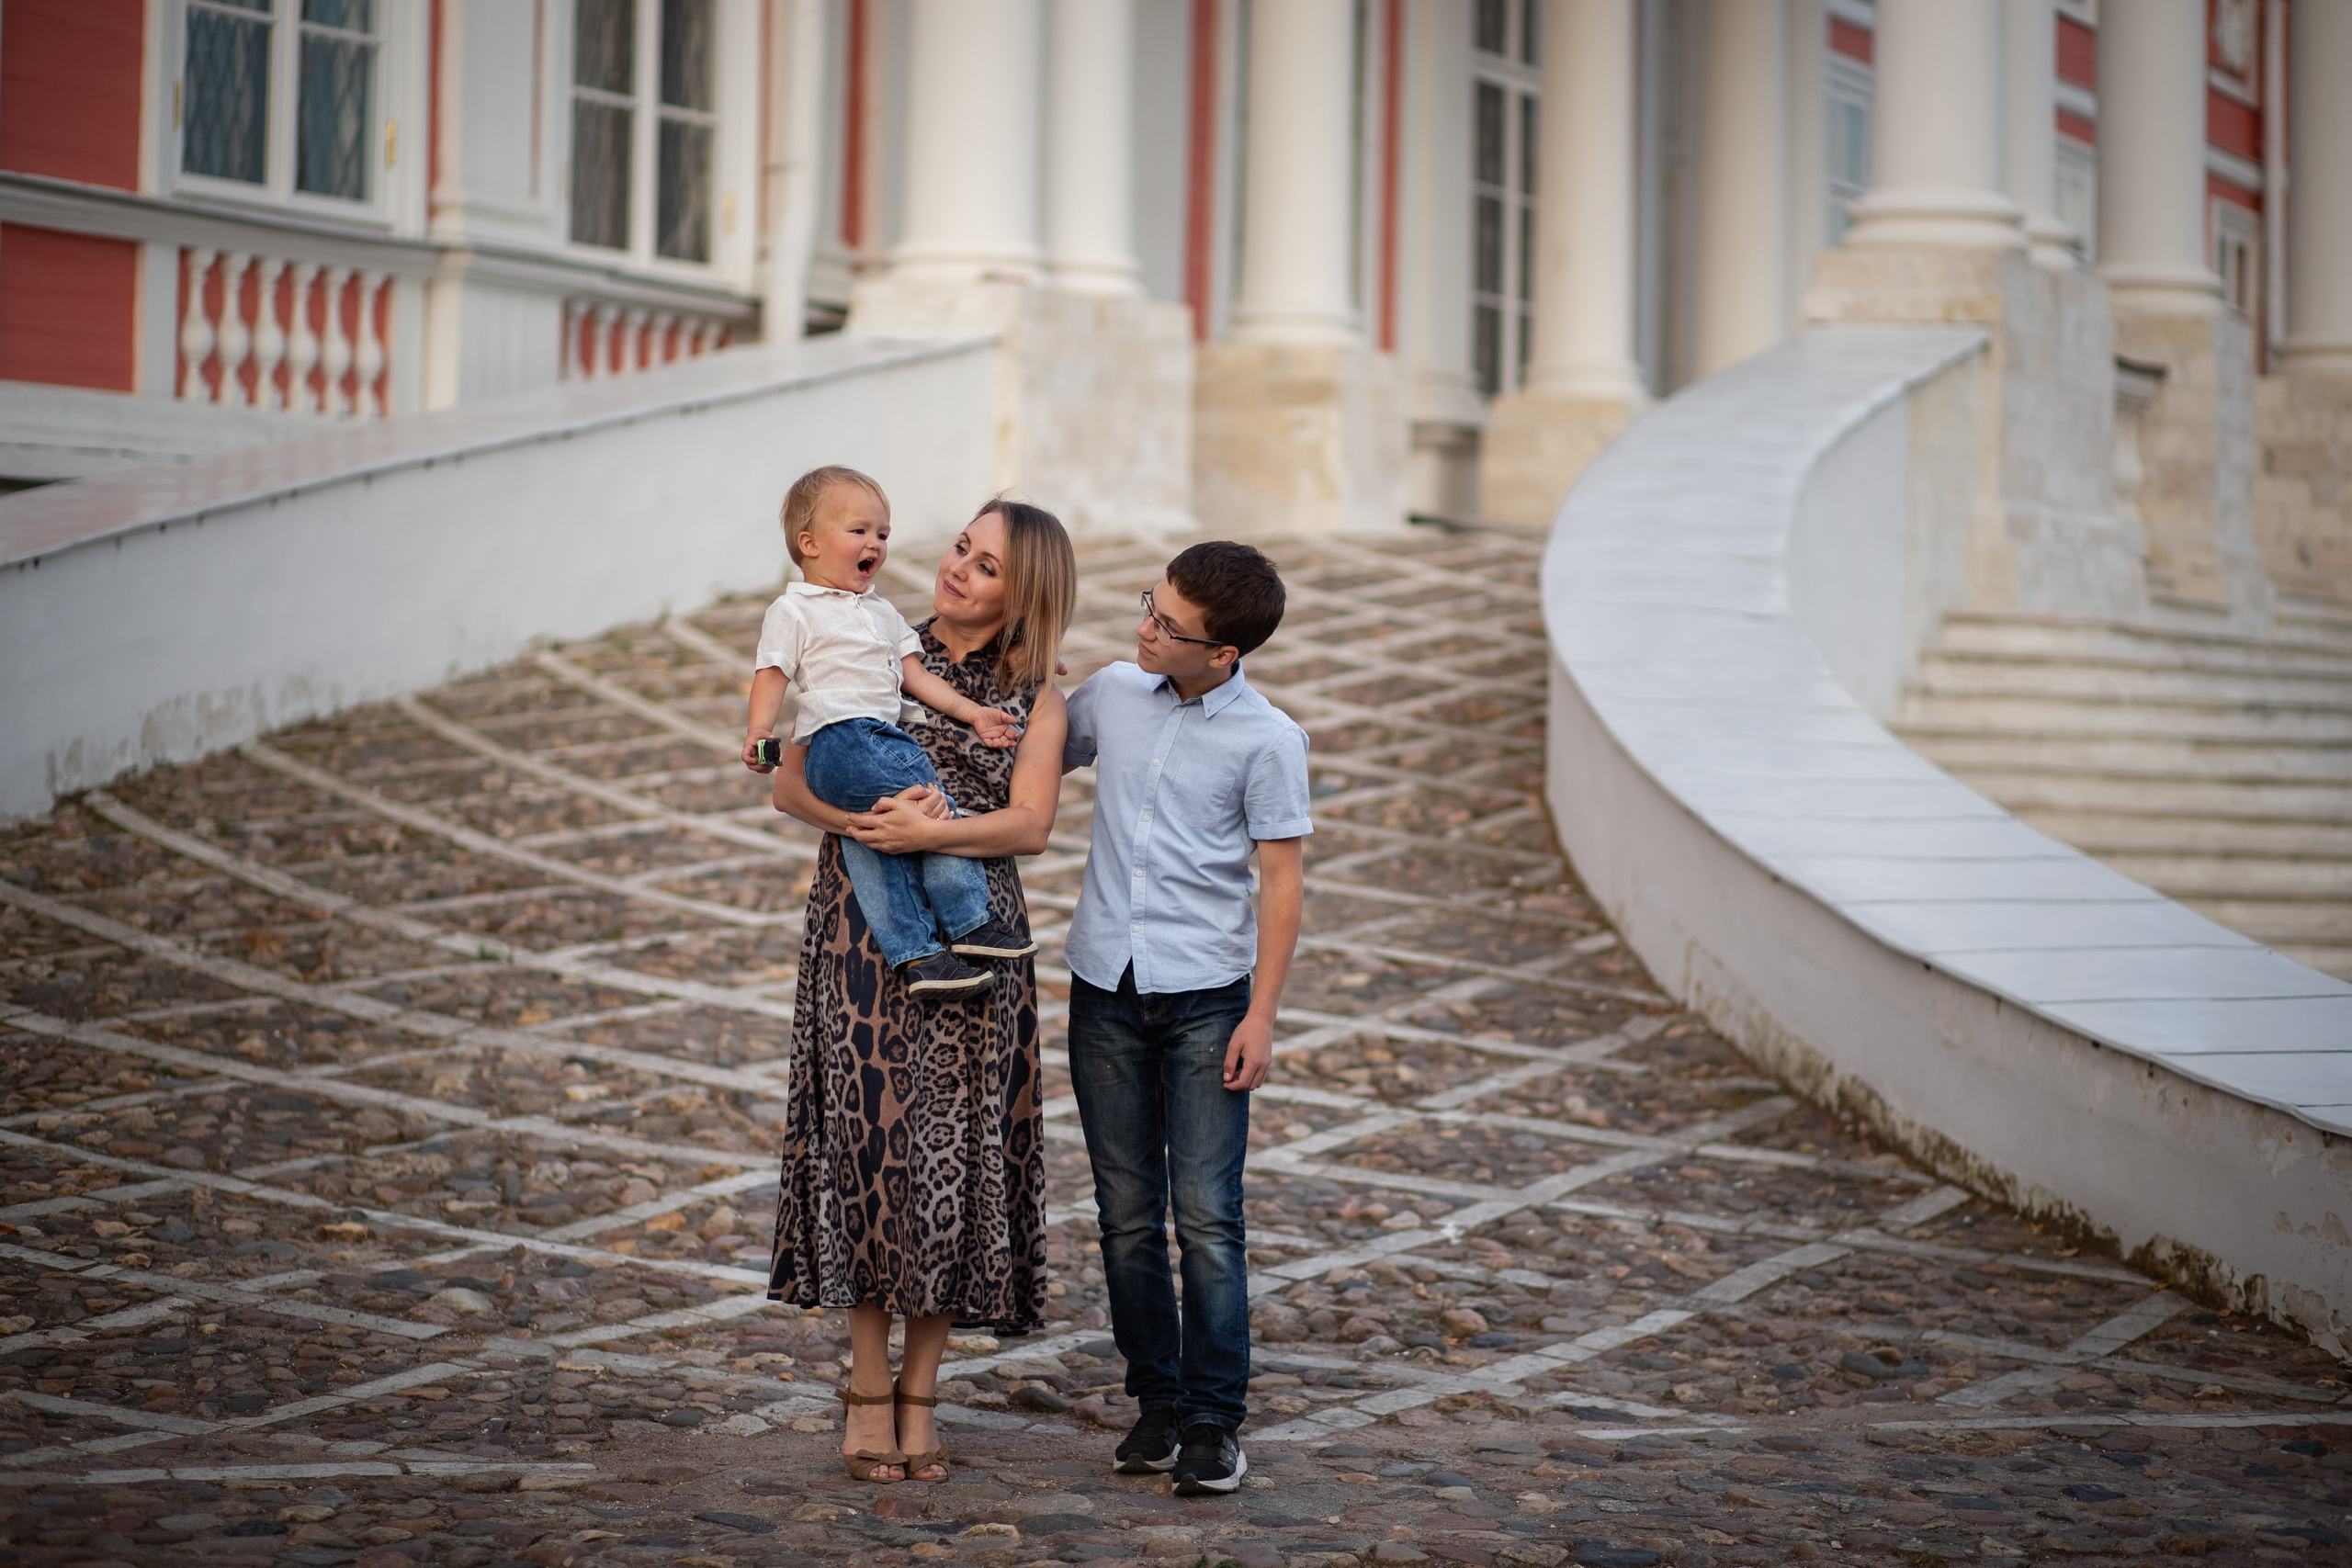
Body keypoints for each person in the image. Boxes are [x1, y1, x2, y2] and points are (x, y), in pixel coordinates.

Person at [760, 495, 1077, 1484]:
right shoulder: (864, 635)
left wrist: (930, 834)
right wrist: (860, 827)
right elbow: (787, 783)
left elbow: (1028, 827)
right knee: (868, 1146)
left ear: (1023, 593)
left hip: (977, 942)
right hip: (859, 930)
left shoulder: (1039, 696)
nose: (957, 572)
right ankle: (864, 1384)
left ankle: (921, 1392)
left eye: (985, 566)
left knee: (953, 1163)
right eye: (959, 549)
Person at [1060, 541, 1309, 1495]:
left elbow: (1281, 880)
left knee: (1208, 1219)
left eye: (1169, 627)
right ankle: (1154, 1405)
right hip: (1104, 990)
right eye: (1148, 607)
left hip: (1208, 998)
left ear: (1226, 652)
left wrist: (1262, 1015)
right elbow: (1039, 752)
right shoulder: (1116, 694)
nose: (1144, 629)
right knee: (1125, 1215)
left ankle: (1214, 1422)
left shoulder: (1267, 740)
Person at [741, 467, 1037, 1002]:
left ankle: (919, 955)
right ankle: (969, 923)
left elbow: (917, 678)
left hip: (873, 738)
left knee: (882, 842)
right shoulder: (794, 611)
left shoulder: (883, 614)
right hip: (843, 737)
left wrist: (974, 713)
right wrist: (760, 732)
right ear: (808, 543)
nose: (874, 543)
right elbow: (772, 674)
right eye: (859, 531)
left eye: (882, 534)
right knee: (925, 795)